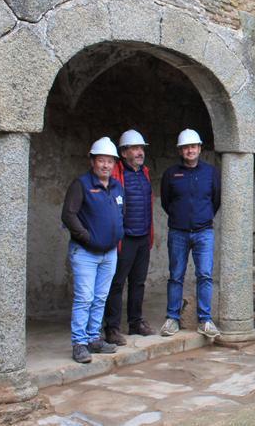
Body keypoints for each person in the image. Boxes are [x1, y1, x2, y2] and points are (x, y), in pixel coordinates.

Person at [61, 137, 124, 363]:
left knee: (100, 298)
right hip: (86, 253)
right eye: (101, 161)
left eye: (110, 161)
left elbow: (118, 213)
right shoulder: (81, 185)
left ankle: (93, 338)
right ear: (92, 162)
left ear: (115, 163)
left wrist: (117, 233)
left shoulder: (116, 186)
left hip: (109, 253)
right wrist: (86, 236)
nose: (105, 165)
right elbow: (68, 215)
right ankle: (79, 343)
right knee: (84, 298)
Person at [160, 129, 221, 339]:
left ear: (199, 148)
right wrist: (181, 218)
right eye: (186, 147)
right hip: (178, 232)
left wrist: (202, 217)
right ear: (180, 150)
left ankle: (205, 320)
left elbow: (216, 200)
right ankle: (172, 319)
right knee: (176, 276)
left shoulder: (211, 172)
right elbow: (166, 202)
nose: (190, 150)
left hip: (204, 232)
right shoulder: (171, 174)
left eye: (193, 147)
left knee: (204, 275)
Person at [104, 130, 155, 346]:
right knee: (117, 283)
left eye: (141, 148)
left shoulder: (144, 173)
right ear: (123, 153)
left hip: (142, 235)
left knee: (138, 282)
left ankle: (135, 322)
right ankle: (112, 328)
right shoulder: (115, 174)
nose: (139, 152)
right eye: (134, 149)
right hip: (124, 238)